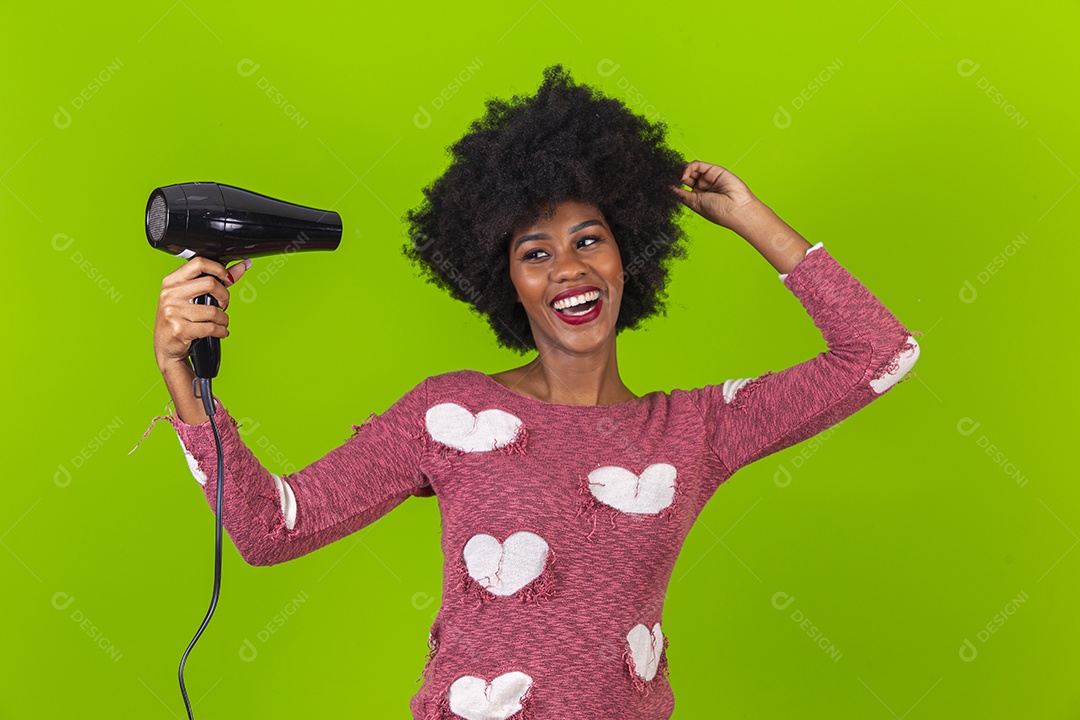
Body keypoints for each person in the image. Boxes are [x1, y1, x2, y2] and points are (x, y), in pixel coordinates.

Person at [149, 66, 921, 719]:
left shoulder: (696, 428)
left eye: (590, 240)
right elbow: (270, 530)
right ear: (507, 283)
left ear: (628, 257)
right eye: (535, 253)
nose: (568, 270)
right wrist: (185, 376)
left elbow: (878, 354)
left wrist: (751, 219)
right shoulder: (447, 415)